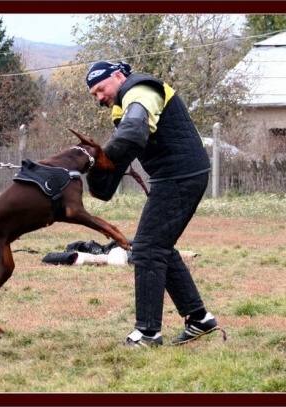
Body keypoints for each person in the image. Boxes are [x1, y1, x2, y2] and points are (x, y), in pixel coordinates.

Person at [85, 61, 226, 347]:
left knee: (148, 248)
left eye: (101, 89)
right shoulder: (123, 103)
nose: (99, 97)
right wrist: (93, 172)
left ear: (118, 76)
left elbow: (132, 133)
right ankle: (199, 318)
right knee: (159, 246)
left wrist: (98, 161)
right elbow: (123, 152)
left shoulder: (141, 89)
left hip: (181, 176)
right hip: (173, 176)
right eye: (94, 95)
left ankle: (148, 333)